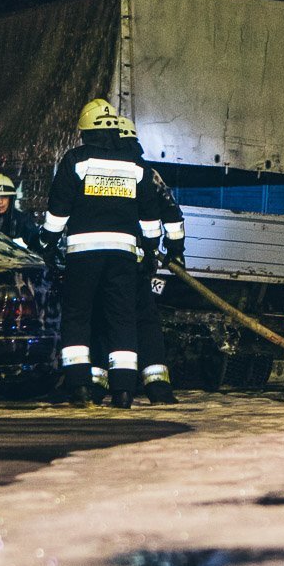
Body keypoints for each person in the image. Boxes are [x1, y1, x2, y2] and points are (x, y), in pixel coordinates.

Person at [39, 99, 162, 409]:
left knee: (78, 316)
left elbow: (58, 209)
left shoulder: (76, 160)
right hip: (122, 256)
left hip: (82, 254)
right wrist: (150, 252)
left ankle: (79, 385)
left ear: (86, 131)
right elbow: (149, 216)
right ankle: (123, 391)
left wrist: (48, 242)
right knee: (122, 319)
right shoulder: (135, 165)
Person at [117, 117, 184, 404]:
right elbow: (171, 212)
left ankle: (113, 386)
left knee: (112, 321)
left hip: (113, 262)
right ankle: (158, 387)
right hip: (142, 262)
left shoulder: (101, 172)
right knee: (145, 319)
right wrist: (174, 251)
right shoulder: (149, 173)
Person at [0, 173, 40, 251]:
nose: (0, 202)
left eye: (4, 197)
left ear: (11, 199)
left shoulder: (23, 222)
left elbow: (38, 250)